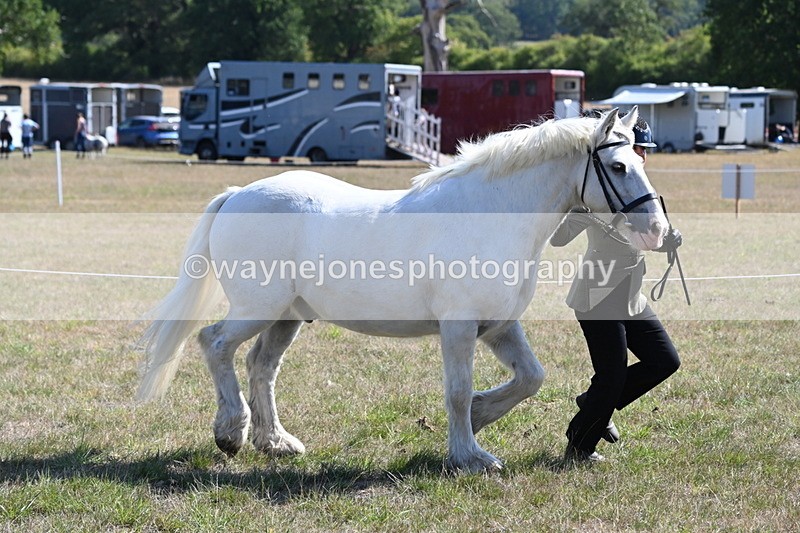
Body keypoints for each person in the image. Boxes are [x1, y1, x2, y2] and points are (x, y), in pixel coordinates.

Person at [550, 117, 683, 464]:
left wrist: (669, 239)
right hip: (597, 297)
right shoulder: (598, 196)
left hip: (630, 296)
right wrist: (579, 213)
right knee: (612, 376)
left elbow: (649, 238)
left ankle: (595, 402)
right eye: (639, 149)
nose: (642, 156)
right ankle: (579, 447)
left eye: (644, 151)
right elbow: (558, 238)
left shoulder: (634, 191)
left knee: (665, 361)